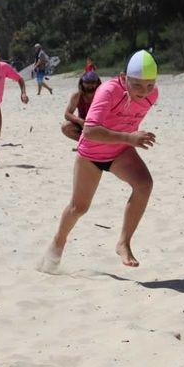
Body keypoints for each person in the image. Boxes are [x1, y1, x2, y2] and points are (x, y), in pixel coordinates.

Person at [40, 50, 158, 271]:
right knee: (79, 207)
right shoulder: (108, 91)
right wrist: (130, 138)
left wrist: (127, 139)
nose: (144, 92)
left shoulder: (153, 95)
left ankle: (123, 242)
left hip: (119, 152)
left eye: (150, 85)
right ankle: (58, 241)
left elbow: (127, 117)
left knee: (144, 185)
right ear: (124, 78)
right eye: (138, 85)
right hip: (91, 155)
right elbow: (90, 131)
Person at [61, 70, 101, 142]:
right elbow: (67, 114)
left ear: (97, 83)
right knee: (65, 127)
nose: (90, 85)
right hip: (83, 124)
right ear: (82, 83)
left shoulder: (102, 95)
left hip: (99, 125)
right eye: (87, 83)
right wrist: (80, 121)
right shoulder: (77, 96)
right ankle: (86, 142)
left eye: (93, 83)